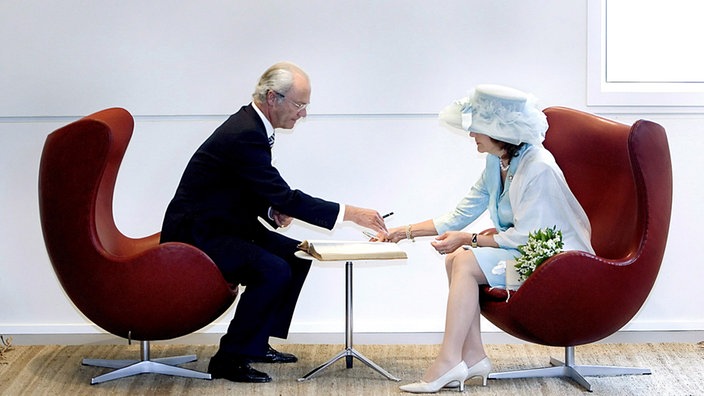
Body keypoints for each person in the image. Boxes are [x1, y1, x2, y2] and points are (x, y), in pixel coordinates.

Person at [160, 61, 388, 383]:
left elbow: (246, 185)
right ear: (272, 97)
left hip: (224, 223)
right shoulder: (245, 133)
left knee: (296, 255)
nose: (303, 113)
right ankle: (230, 359)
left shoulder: (253, 127)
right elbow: (285, 194)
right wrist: (351, 213)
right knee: (272, 268)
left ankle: (256, 342)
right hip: (198, 234)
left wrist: (270, 211)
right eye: (299, 104)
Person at [379, 84, 594, 393]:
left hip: (555, 268)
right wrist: (403, 232)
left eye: (477, 128)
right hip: (524, 256)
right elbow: (462, 211)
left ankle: (449, 360)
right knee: (456, 258)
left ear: (499, 131)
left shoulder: (539, 168)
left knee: (464, 258)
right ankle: (473, 355)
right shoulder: (498, 161)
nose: (471, 135)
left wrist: (472, 238)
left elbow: (526, 237)